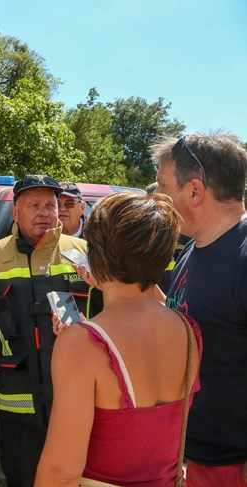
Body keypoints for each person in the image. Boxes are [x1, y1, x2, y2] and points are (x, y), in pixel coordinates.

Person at [35, 191, 202, 486]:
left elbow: (61, 471)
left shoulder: (82, 344)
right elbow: (148, 307)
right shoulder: (188, 330)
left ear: (96, 255)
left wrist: (79, 338)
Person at [0, 174, 102, 487]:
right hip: (16, 397)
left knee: (80, 476)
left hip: (76, 394)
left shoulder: (86, 253)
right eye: (34, 205)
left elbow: (114, 310)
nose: (45, 212)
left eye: (51, 204)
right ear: (15, 212)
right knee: (22, 476)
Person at [152, 133, 247, 487]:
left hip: (232, 467)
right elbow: (189, 319)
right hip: (196, 455)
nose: (157, 198)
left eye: (163, 186)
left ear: (194, 191)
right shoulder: (192, 248)